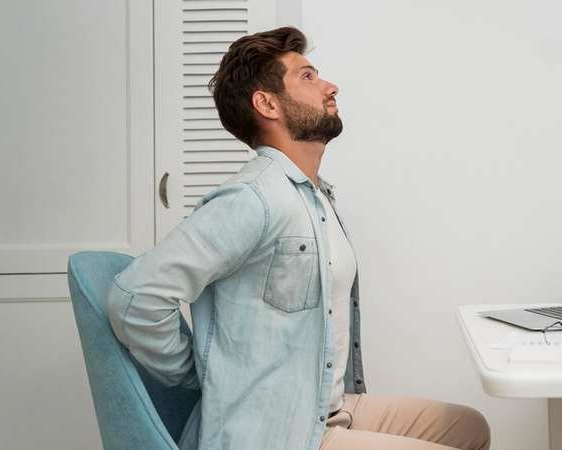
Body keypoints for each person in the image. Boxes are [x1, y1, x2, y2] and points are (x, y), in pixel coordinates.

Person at [105, 26, 490, 450]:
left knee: (468, 428)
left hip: (327, 408)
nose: (329, 86)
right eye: (307, 77)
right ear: (267, 104)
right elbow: (136, 295)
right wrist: (203, 372)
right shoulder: (255, 197)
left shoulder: (314, 195)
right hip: (277, 432)